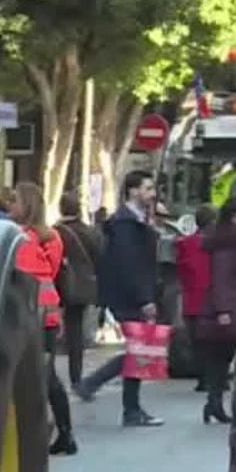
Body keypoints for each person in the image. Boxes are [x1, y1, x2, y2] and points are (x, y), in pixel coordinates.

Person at [74, 170, 164, 427]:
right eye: (147, 189)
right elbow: (130, 264)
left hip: (131, 293)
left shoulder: (137, 220)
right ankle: (105, 391)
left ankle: (130, 407)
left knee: (140, 350)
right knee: (139, 350)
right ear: (133, 191)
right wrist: (144, 298)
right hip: (130, 296)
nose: (152, 194)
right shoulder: (125, 224)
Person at [10, 182, 76, 455]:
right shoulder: (50, 238)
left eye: (14, 200)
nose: (9, 205)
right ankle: (64, 431)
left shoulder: (20, 239)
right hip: (47, 314)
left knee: (39, 377)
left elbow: (23, 273)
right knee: (47, 377)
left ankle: (52, 432)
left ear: (26, 205)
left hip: (32, 313)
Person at [198, 198, 236, 424]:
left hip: (234, 304)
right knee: (227, 357)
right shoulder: (229, 244)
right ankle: (215, 404)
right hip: (231, 307)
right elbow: (221, 278)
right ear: (231, 216)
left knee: (221, 359)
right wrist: (223, 310)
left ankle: (213, 404)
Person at [54, 191, 103, 388]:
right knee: (76, 328)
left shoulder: (56, 232)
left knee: (62, 327)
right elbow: (100, 258)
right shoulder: (91, 232)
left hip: (61, 284)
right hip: (84, 286)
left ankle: (52, 373)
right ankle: (77, 374)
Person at [175, 204, 216, 392]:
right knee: (214, 341)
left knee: (197, 341)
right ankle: (213, 377)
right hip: (212, 299)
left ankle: (202, 377)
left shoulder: (185, 244)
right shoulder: (217, 244)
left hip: (191, 298)